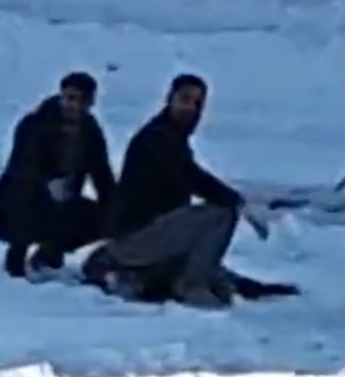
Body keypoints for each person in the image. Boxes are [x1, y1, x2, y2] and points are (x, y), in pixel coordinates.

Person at [81, 74, 284, 309]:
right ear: (170, 100)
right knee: (220, 214)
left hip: (153, 239)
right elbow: (192, 177)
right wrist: (238, 203)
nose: (191, 109)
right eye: (185, 100)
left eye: (198, 104)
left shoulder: (173, 138)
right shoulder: (158, 138)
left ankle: (153, 279)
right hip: (137, 239)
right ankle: (189, 286)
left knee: (218, 280)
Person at [0, 71, 116, 278]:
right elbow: (23, 167)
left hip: (64, 200)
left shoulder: (90, 130)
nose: (73, 105)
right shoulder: (35, 125)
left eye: (81, 100)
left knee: (101, 217)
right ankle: (17, 258)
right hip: (21, 199)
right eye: (70, 98)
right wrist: (47, 183)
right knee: (23, 204)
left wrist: (115, 205)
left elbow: (101, 173)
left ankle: (51, 252)